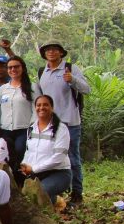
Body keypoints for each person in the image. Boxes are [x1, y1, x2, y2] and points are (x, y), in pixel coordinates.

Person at [34, 42, 89, 207]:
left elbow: (87, 89)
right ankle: (57, 193)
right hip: (51, 124)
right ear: (44, 54)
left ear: (61, 52)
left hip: (70, 122)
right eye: (47, 50)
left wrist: (72, 80)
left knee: (72, 157)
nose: (51, 52)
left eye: (54, 49)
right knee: (53, 158)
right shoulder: (42, 72)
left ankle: (77, 194)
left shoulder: (70, 68)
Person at [20, 94, 72, 204]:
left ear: (52, 108)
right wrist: (24, 165)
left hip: (59, 173)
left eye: (45, 105)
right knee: (26, 197)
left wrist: (34, 169)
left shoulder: (61, 129)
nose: (41, 108)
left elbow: (58, 158)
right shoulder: (31, 128)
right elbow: (29, 151)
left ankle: (54, 203)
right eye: (38, 105)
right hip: (38, 174)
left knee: (39, 193)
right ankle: (55, 201)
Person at [0, 55, 34, 185]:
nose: (13, 69)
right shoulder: (3, 89)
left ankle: (22, 183)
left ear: (22, 68)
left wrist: (32, 127)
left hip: (23, 129)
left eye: (16, 67)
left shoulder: (32, 87)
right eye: (10, 67)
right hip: (5, 129)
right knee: (6, 157)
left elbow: (37, 109)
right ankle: (9, 185)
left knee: (19, 154)